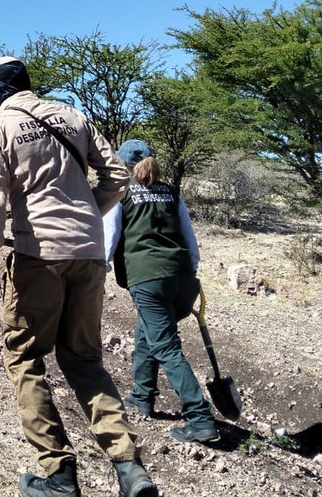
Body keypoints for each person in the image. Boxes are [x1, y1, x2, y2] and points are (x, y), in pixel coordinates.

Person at [0, 56, 157, 497]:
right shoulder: (75, 116)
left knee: (25, 357)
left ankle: (58, 474)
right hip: (90, 253)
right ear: (27, 82)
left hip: (39, 255)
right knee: (84, 359)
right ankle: (130, 469)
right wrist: (86, 212)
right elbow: (117, 176)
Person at [104, 140, 218, 444]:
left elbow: (110, 237)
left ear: (123, 165)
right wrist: (189, 270)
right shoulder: (172, 192)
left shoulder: (122, 193)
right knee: (146, 333)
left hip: (149, 281)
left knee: (166, 347)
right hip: (183, 279)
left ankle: (200, 418)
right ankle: (142, 396)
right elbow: (189, 238)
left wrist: (98, 267)